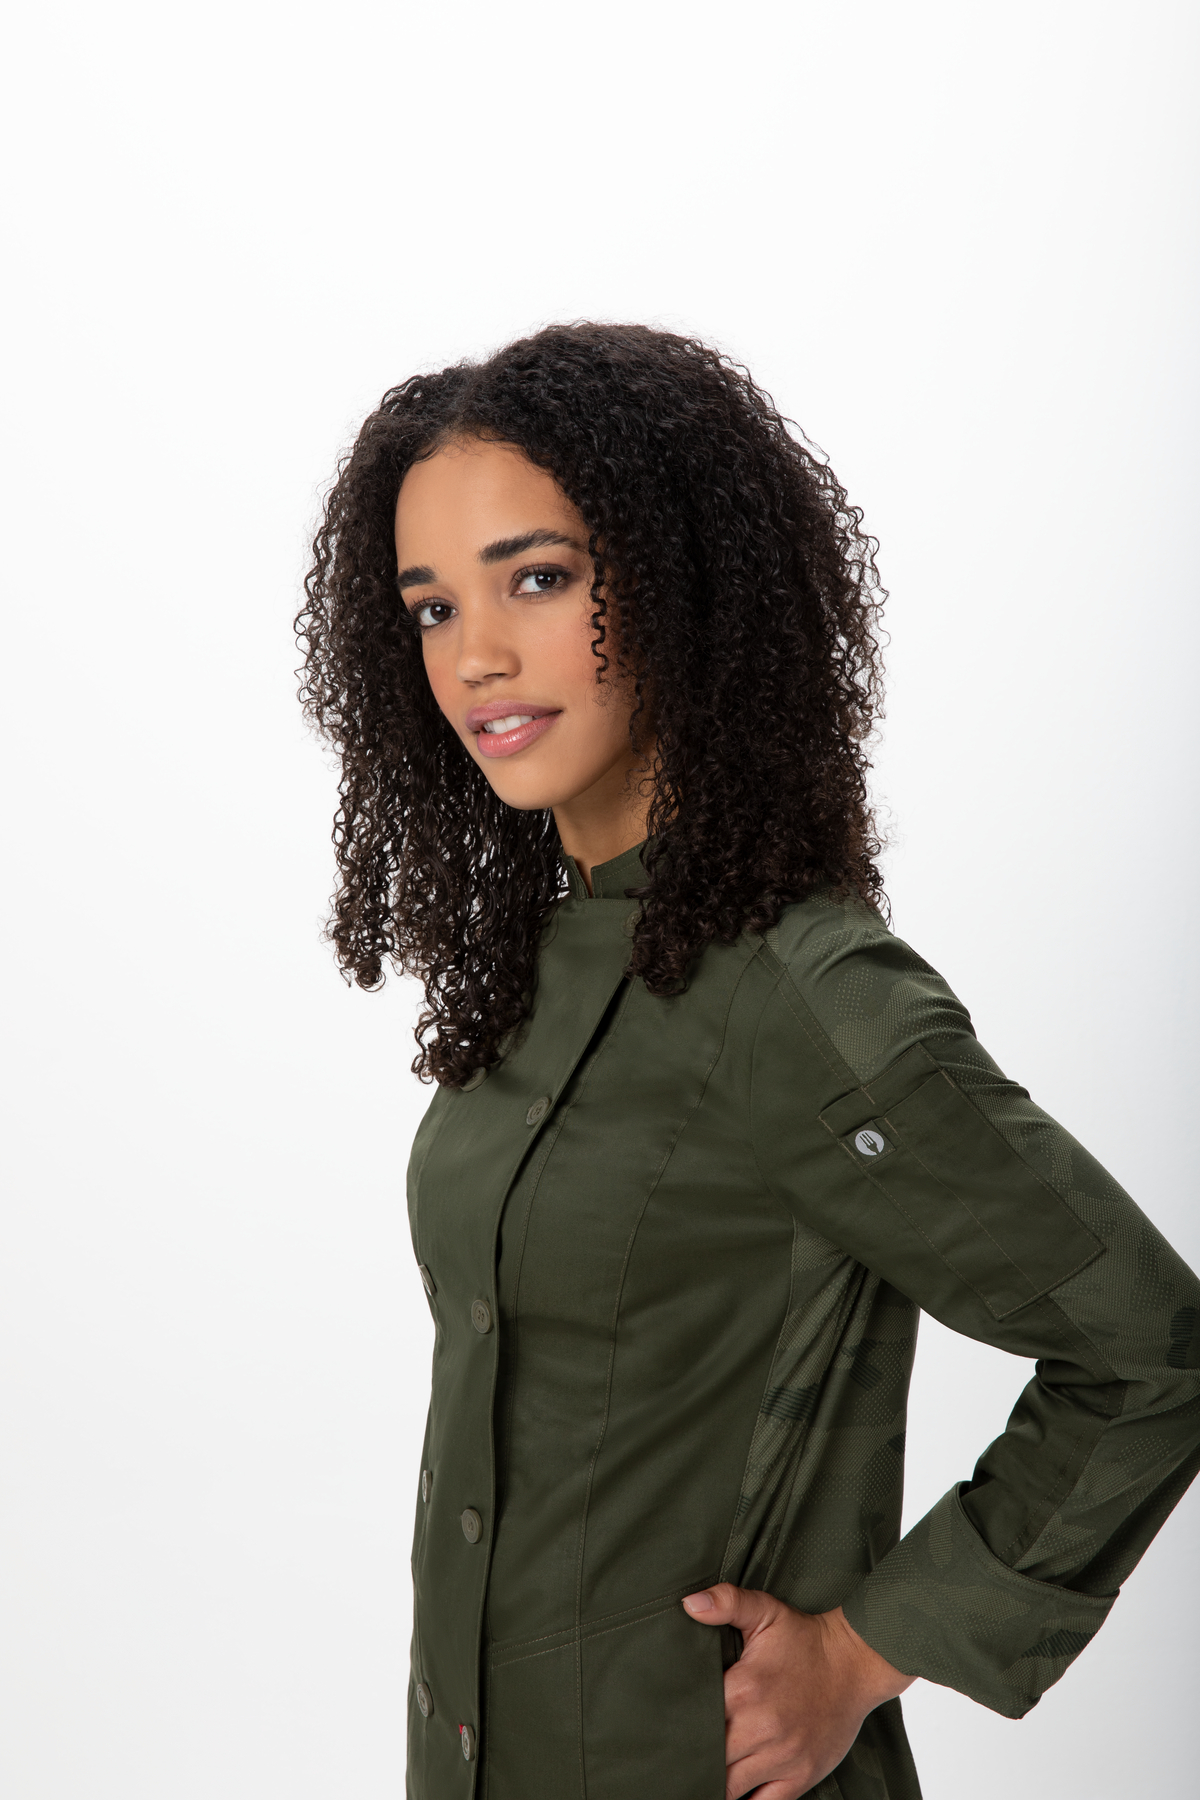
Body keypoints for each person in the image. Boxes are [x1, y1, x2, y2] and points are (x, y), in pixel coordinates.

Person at [296, 323, 1200, 1800]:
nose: (475, 656)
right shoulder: (534, 967)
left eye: (540, 578)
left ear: (684, 583)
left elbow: (1149, 1348)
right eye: (432, 606)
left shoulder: (806, 996)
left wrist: (866, 1649)